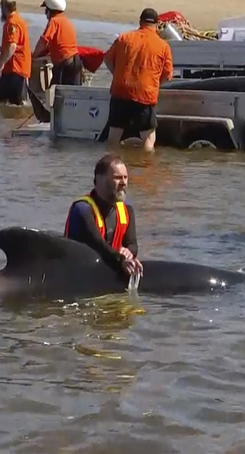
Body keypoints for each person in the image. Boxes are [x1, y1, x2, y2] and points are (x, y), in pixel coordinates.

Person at [103, 8, 173, 152]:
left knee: (114, 137)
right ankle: (146, 170)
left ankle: (112, 165)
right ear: (157, 24)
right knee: (148, 139)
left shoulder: (123, 38)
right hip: (145, 95)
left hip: (120, 92)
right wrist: (154, 83)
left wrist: (117, 74)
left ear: (140, 22)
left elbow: (107, 59)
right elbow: (167, 75)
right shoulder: (163, 46)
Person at [64, 154, 143, 278]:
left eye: (125, 177)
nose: (123, 183)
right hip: (78, 272)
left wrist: (129, 254)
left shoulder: (127, 210)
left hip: (110, 264)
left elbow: (132, 244)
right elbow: (98, 245)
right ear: (98, 180)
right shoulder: (82, 210)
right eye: (117, 177)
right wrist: (120, 260)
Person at [33, 0, 82, 86]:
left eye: (46, 10)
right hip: (75, 61)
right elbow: (60, 43)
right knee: (73, 93)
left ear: (50, 10)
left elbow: (44, 41)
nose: (45, 13)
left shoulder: (54, 21)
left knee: (56, 93)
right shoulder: (66, 21)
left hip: (64, 63)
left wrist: (34, 56)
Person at [0, 0, 31, 105]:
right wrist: (1, 48)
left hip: (15, 68)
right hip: (18, 68)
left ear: (4, 8)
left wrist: (1, 64)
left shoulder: (12, 23)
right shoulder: (20, 20)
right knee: (9, 104)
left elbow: (13, 45)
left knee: (12, 104)